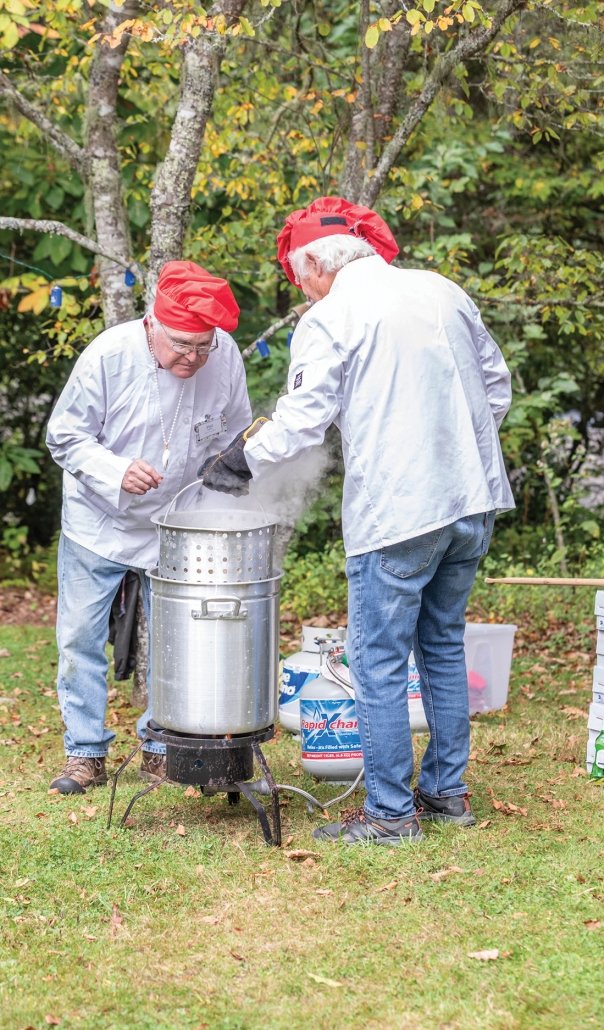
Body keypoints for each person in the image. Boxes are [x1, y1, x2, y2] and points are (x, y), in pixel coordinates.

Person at [199, 196, 515, 845]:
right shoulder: (442, 291)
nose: (302, 289)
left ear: (317, 262)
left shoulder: (331, 315)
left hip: (398, 513)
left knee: (375, 662)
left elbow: (302, 418)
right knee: (441, 650)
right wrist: (453, 450)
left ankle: (390, 815)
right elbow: (495, 388)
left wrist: (239, 461)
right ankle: (446, 794)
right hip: (472, 499)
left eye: (298, 276)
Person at [46, 261, 252, 794]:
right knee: (79, 637)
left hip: (181, 520)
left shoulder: (222, 356)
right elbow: (64, 437)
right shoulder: (109, 355)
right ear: (151, 325)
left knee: (178, 638)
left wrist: (224, 487)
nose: (194, 357)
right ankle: (84, 753)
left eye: (204, 346)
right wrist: (116, 471)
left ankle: (161, 747)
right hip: (100, 519)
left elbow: (233, 434)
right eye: (184, 344)